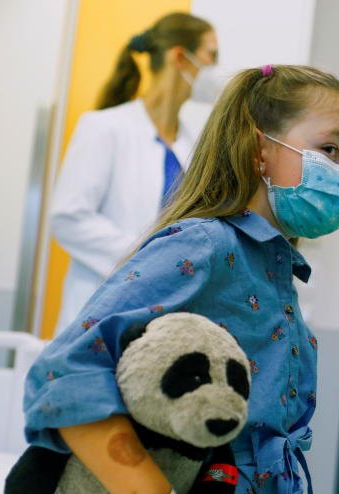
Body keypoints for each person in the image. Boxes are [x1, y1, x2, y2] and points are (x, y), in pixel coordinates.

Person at [23, 64, 339, 494]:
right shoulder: (203, 246)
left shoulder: (274, 266)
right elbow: (64, 376)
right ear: (260, 148)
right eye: (330, 149)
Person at [50, 12, 221, 335]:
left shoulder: (190, 146)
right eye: (211, 56)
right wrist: (146, 256)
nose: (216, 69)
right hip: (101, 310)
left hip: (164, 313)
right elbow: (68, 218)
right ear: (180, 57)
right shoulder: (104, 128)